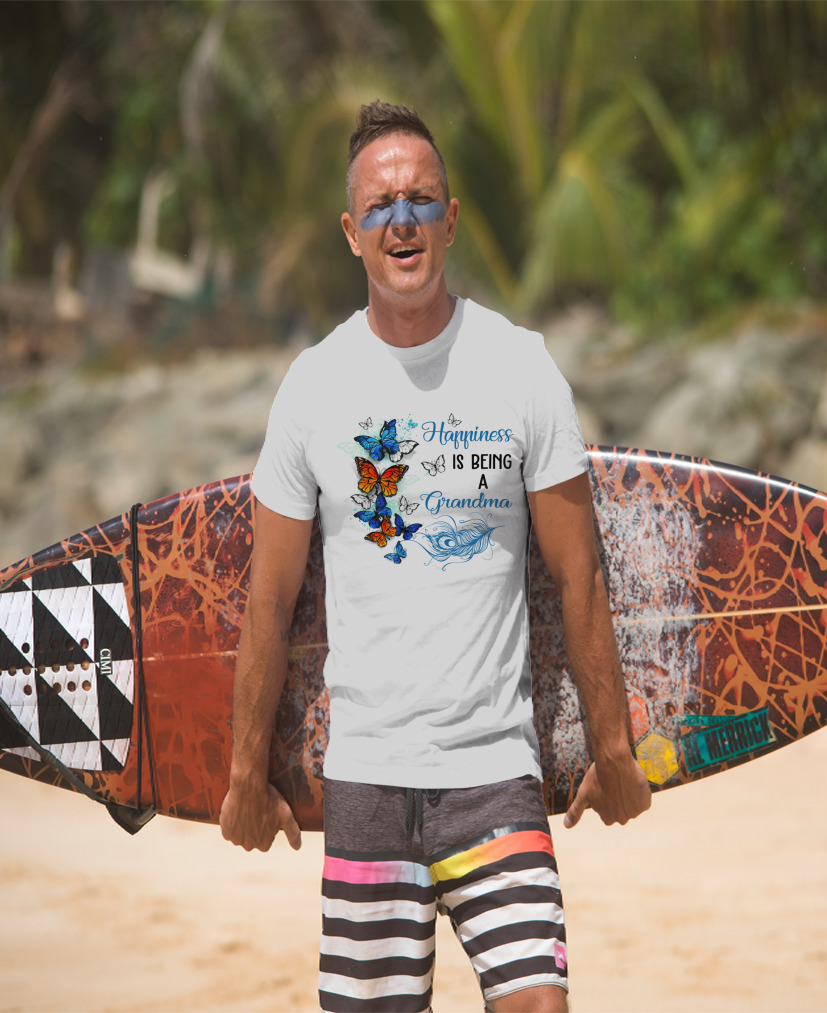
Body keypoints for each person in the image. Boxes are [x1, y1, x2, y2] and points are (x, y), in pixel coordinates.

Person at [220, 100, 651, 1013]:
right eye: (380, 206)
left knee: (540, 1003)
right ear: (351, 232)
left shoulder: (522, 367)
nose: (402, 220)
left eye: (421, 200)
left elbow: (579, 575)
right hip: (369, 778)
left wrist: (612, 746)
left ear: (451, 219)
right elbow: (270, 599)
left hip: (495, 772)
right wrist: (242, 772)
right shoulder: (314, 387)